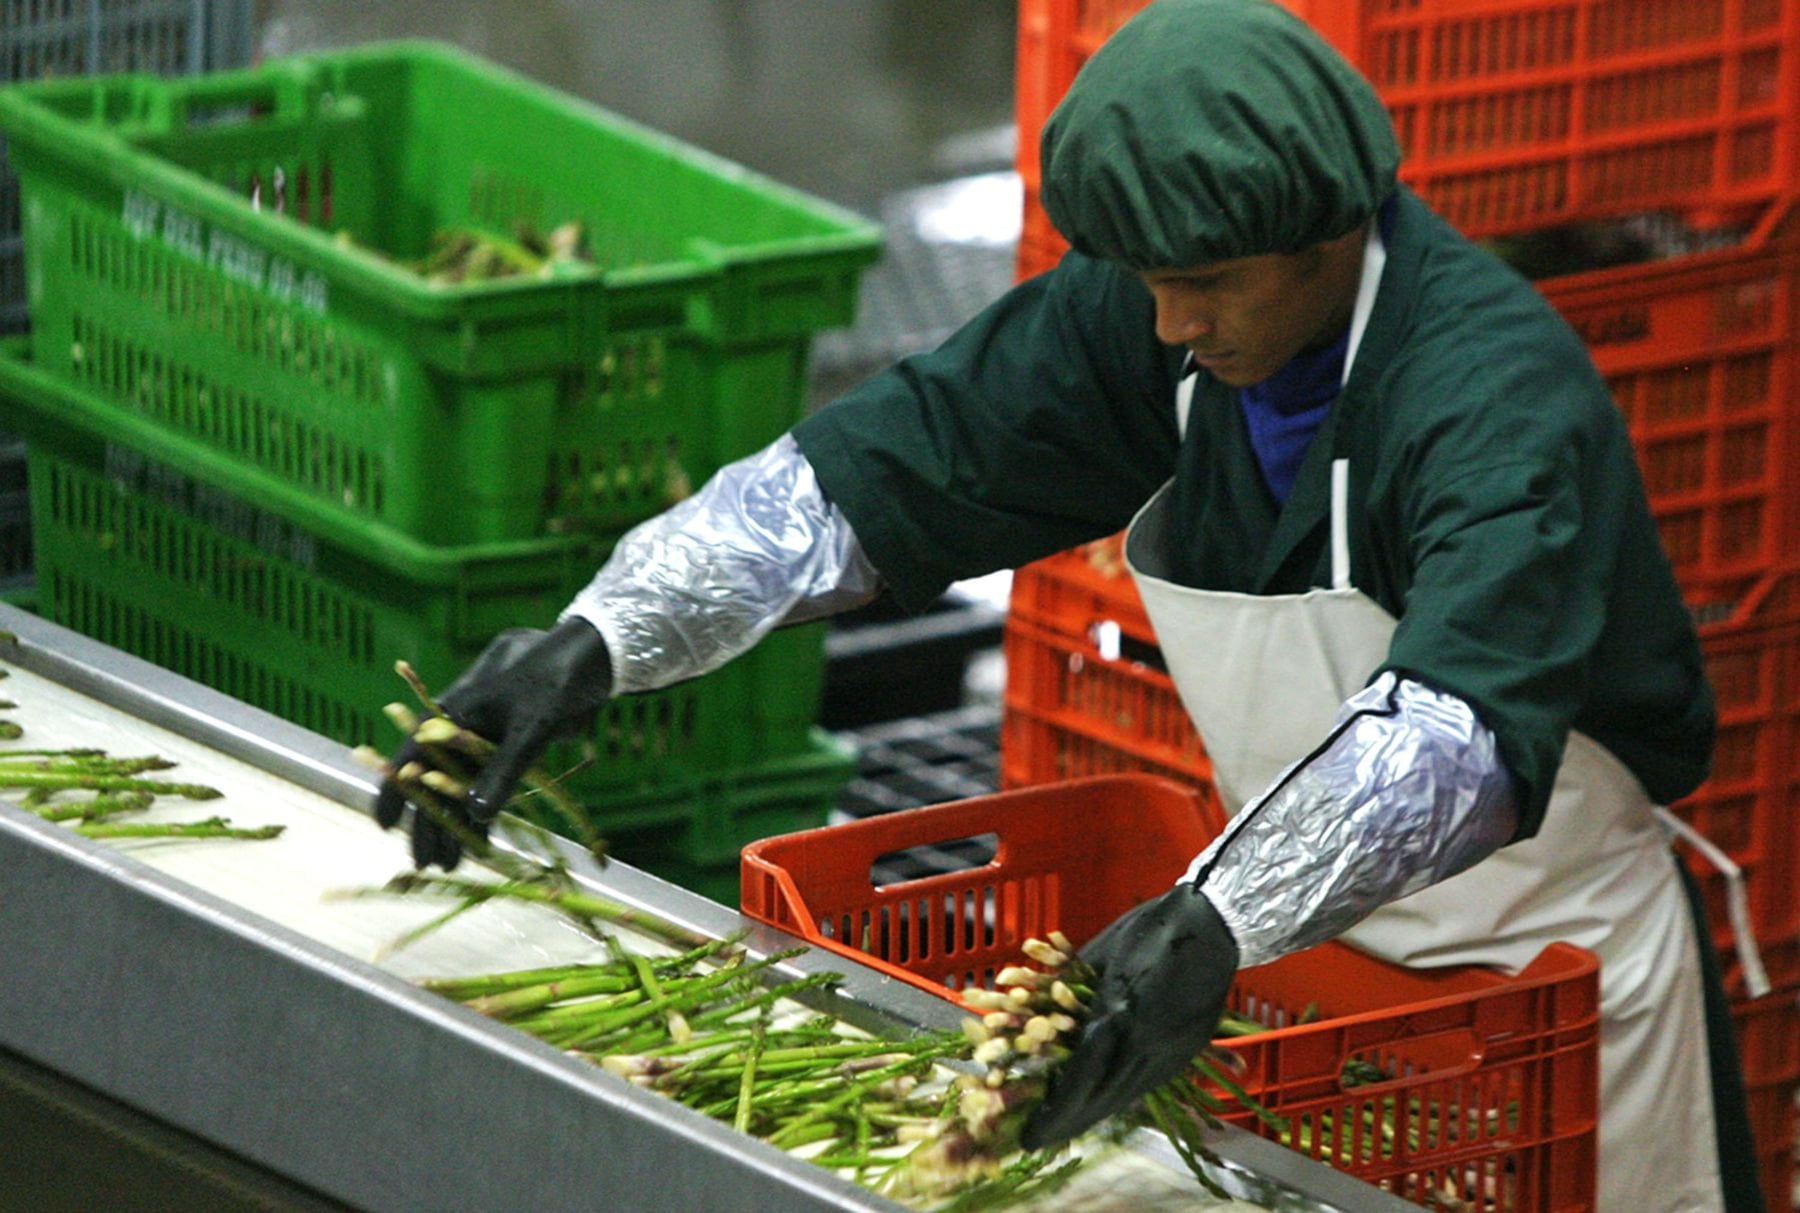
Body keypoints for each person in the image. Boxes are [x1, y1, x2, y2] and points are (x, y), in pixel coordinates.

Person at [374, 2, 1760, 1208]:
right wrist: (600, 634)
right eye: (1152, 282)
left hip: (1546, 992)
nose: (1169, 323)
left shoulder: (1495, 393)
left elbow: (1454, 734)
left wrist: (1217, 915)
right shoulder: (1161, 328)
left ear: (1329, 235)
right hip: (1302, 980)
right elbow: (882, 472)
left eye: (1206, 284)